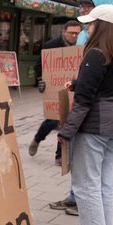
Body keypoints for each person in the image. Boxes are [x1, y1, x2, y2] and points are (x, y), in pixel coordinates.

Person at [59, 4, 113, 225]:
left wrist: (67, 131)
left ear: (100, 26)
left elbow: (85, 100)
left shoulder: (95, 53)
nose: (87, 27)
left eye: (90, 23)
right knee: (104, 180)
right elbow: (106, 85)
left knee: (86, 180)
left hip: (95, 124)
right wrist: (79, 83)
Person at [48, 0, 113, 214]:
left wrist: (68, 129)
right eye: (82, 6)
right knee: (98, 174)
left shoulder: (100, 44)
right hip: (101, 113)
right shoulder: (106, 39)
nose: (84, 11)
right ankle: (78, 200)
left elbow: (92, 85)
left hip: (93, 116)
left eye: (88, 6)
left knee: (89, 173)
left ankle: (90, 221)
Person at [29, 20, 82, 163]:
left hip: (72, 88)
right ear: (64, 32)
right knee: (53, 120)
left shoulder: (81, 48)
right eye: (71, 33)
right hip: (54, 89)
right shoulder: (50, 46)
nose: (73, 36)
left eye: (76, 33)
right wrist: (41, 80)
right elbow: (39, 66)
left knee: (67, 121)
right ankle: (37, 139)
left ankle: (60, 155)